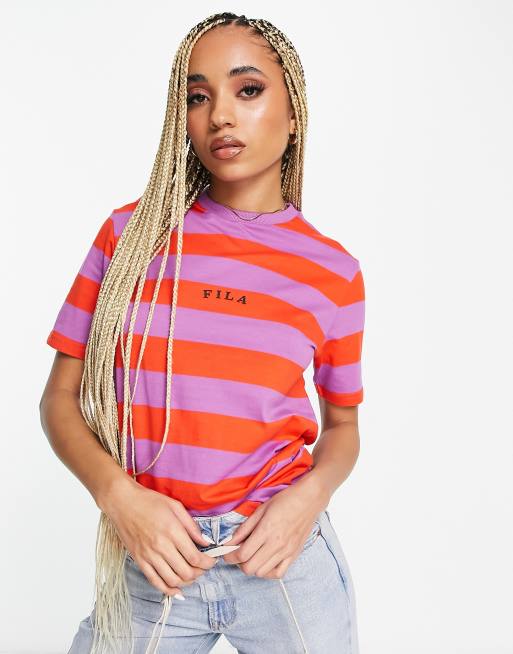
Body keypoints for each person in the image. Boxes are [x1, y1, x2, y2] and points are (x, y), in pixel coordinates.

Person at [40, 12, 365, 654]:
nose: (220, 115)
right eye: (197, 96)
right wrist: (118, 498)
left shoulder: (333, 272)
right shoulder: (129, 239)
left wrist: (305, 503)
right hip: (158, 559)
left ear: (293, 114)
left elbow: (344, 428)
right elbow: (59, 401)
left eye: (249, 90)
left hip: (282, 560)